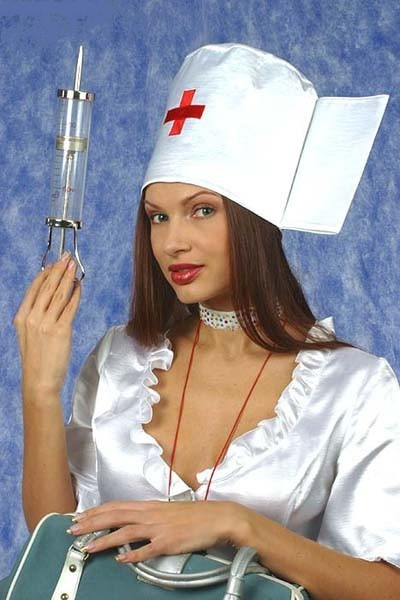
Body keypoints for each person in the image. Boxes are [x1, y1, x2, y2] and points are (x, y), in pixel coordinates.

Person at [14, 44, 400, 600]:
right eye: (158, 217)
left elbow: (387, 587)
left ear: (254, 221)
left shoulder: (354, 387)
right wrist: (40, 388)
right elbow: (56, 542)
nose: (173, 242)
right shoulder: (120, 360)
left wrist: (239, 525)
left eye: (202, 210)